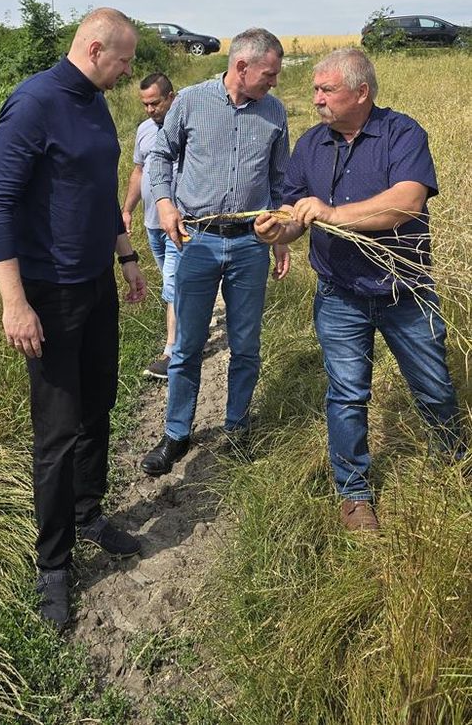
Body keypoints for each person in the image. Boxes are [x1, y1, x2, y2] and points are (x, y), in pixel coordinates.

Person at [0, 8, 147, 626]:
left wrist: (125, 255)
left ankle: (89, 512)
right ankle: (54, 562)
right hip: (47, 294)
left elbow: (101, 186)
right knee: (55, 430)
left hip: (96, 285)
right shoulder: (34, 103)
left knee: (98, 403)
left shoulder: (96, 102)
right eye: (124, 60)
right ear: (96, 47)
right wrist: (14, 301)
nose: (128, 72)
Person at [255, 47, 464, 533]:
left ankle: (454, 464)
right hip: (340, 295)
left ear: (361, 92)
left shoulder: (401, 133)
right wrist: (275, 231)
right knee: (347, 395)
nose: (317, 99)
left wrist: (331, 214)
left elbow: (407, 202)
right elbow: (292, 218)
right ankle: (354, 494)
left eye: (326, 90)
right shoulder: (310, 145)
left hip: (404, 290)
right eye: (315, 90)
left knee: (433, 389)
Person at [140, 27, 290, 477]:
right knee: (186, 344)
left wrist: (281, 233)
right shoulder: (190, 101)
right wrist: (164, 202)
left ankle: (237, 427)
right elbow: (161, 156)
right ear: (241, 67)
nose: (274, 82)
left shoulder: (275, 112)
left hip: (250, 243)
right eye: (270, 73)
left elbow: (281, 179)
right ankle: (177, 433)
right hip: (197, 240)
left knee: (245, 344)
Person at [122, 72, 179, 379]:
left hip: (178, 222)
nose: (149, 110)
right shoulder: (144, 129)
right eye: (144, 104)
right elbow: (138, 172)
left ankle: (172, 351)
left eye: (155, 103)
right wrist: (127, 210)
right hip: (151, 223)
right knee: (170, 281)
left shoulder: (187, 125)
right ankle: (190, 322)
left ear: (171, 97)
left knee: (172, 283)